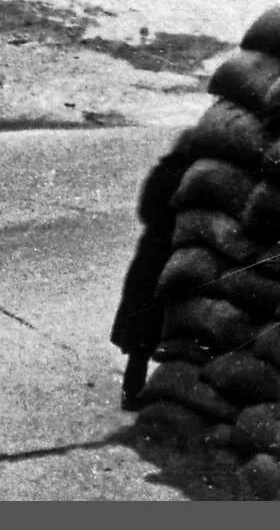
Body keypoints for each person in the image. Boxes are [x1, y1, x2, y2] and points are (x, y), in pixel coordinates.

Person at [111, 145, 196, 410]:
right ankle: (139, 392)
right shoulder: (190, 179)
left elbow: (145, 211)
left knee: (141, 331)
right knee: (156, 326)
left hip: (148, 253)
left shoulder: (162, 172)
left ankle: (132, 390)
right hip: (168, 253)